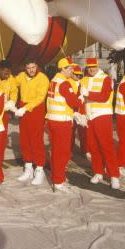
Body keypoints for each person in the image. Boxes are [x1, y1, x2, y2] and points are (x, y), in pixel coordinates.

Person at [80, 58, 120, 189]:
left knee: (106, 145)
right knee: (92, 146)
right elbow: (80, 97)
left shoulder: (106, 78)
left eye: (94, 67)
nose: (91, 69)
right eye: (89, 67)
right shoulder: (84, 79)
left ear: (97, 66)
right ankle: (98, 172)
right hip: (89, 116)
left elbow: (104, 97)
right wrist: (80, 112)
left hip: (102, 115)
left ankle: (114, 175)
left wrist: (88, 94)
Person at [46, 57, 82, 192]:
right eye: (70, 68)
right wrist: (81, 96)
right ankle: (58, 181)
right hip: (61, 122)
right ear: (63, 69)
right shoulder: (64, 83)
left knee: (56, 152)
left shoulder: (53, 81)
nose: (72, 70)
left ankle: (58, 177)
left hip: (52, 120)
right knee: (62, 153)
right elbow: (74, 103)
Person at [15, 58, 49, 185]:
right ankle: (28, 167)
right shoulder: (22, 76)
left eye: (33, 67)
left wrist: (25, 108)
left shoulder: (43, 78)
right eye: (28, 68)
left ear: (37, 66)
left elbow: (40, 98)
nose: (31, 70)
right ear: (25, 68)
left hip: (36, 109)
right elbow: (12, 83)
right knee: (24, 138)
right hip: (23, 108)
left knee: (36, 139)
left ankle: (39, 169)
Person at [0, 59, 18, 153]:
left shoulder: (11, 78)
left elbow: (14, 91)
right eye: (5, 73)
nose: (7, 75)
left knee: (3, 135)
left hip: (4, 112)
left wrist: (12, 102)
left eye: (8, 73)